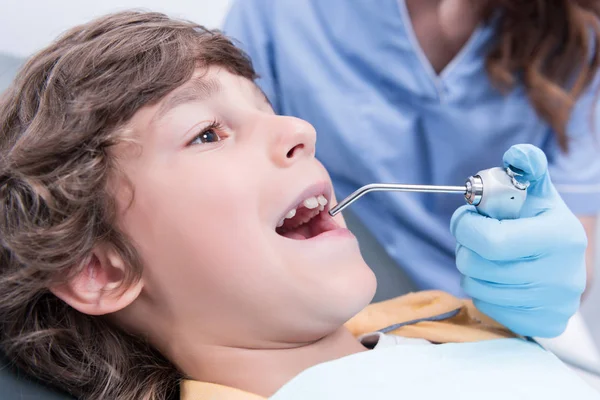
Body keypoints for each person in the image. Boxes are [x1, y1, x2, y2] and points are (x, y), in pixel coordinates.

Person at [0, 11, 593, 400]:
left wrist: (536, 281)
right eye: (208, 132)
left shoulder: (440, 320)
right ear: (101, 270)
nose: (301, 129)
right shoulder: (289, 14)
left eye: (268, 108)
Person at [223, 0, 600, 307]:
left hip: (479, 310)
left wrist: (543, 274)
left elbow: (571, 262)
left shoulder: (574, 37)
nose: (298, 136)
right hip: (321, 288)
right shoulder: (280, 13)